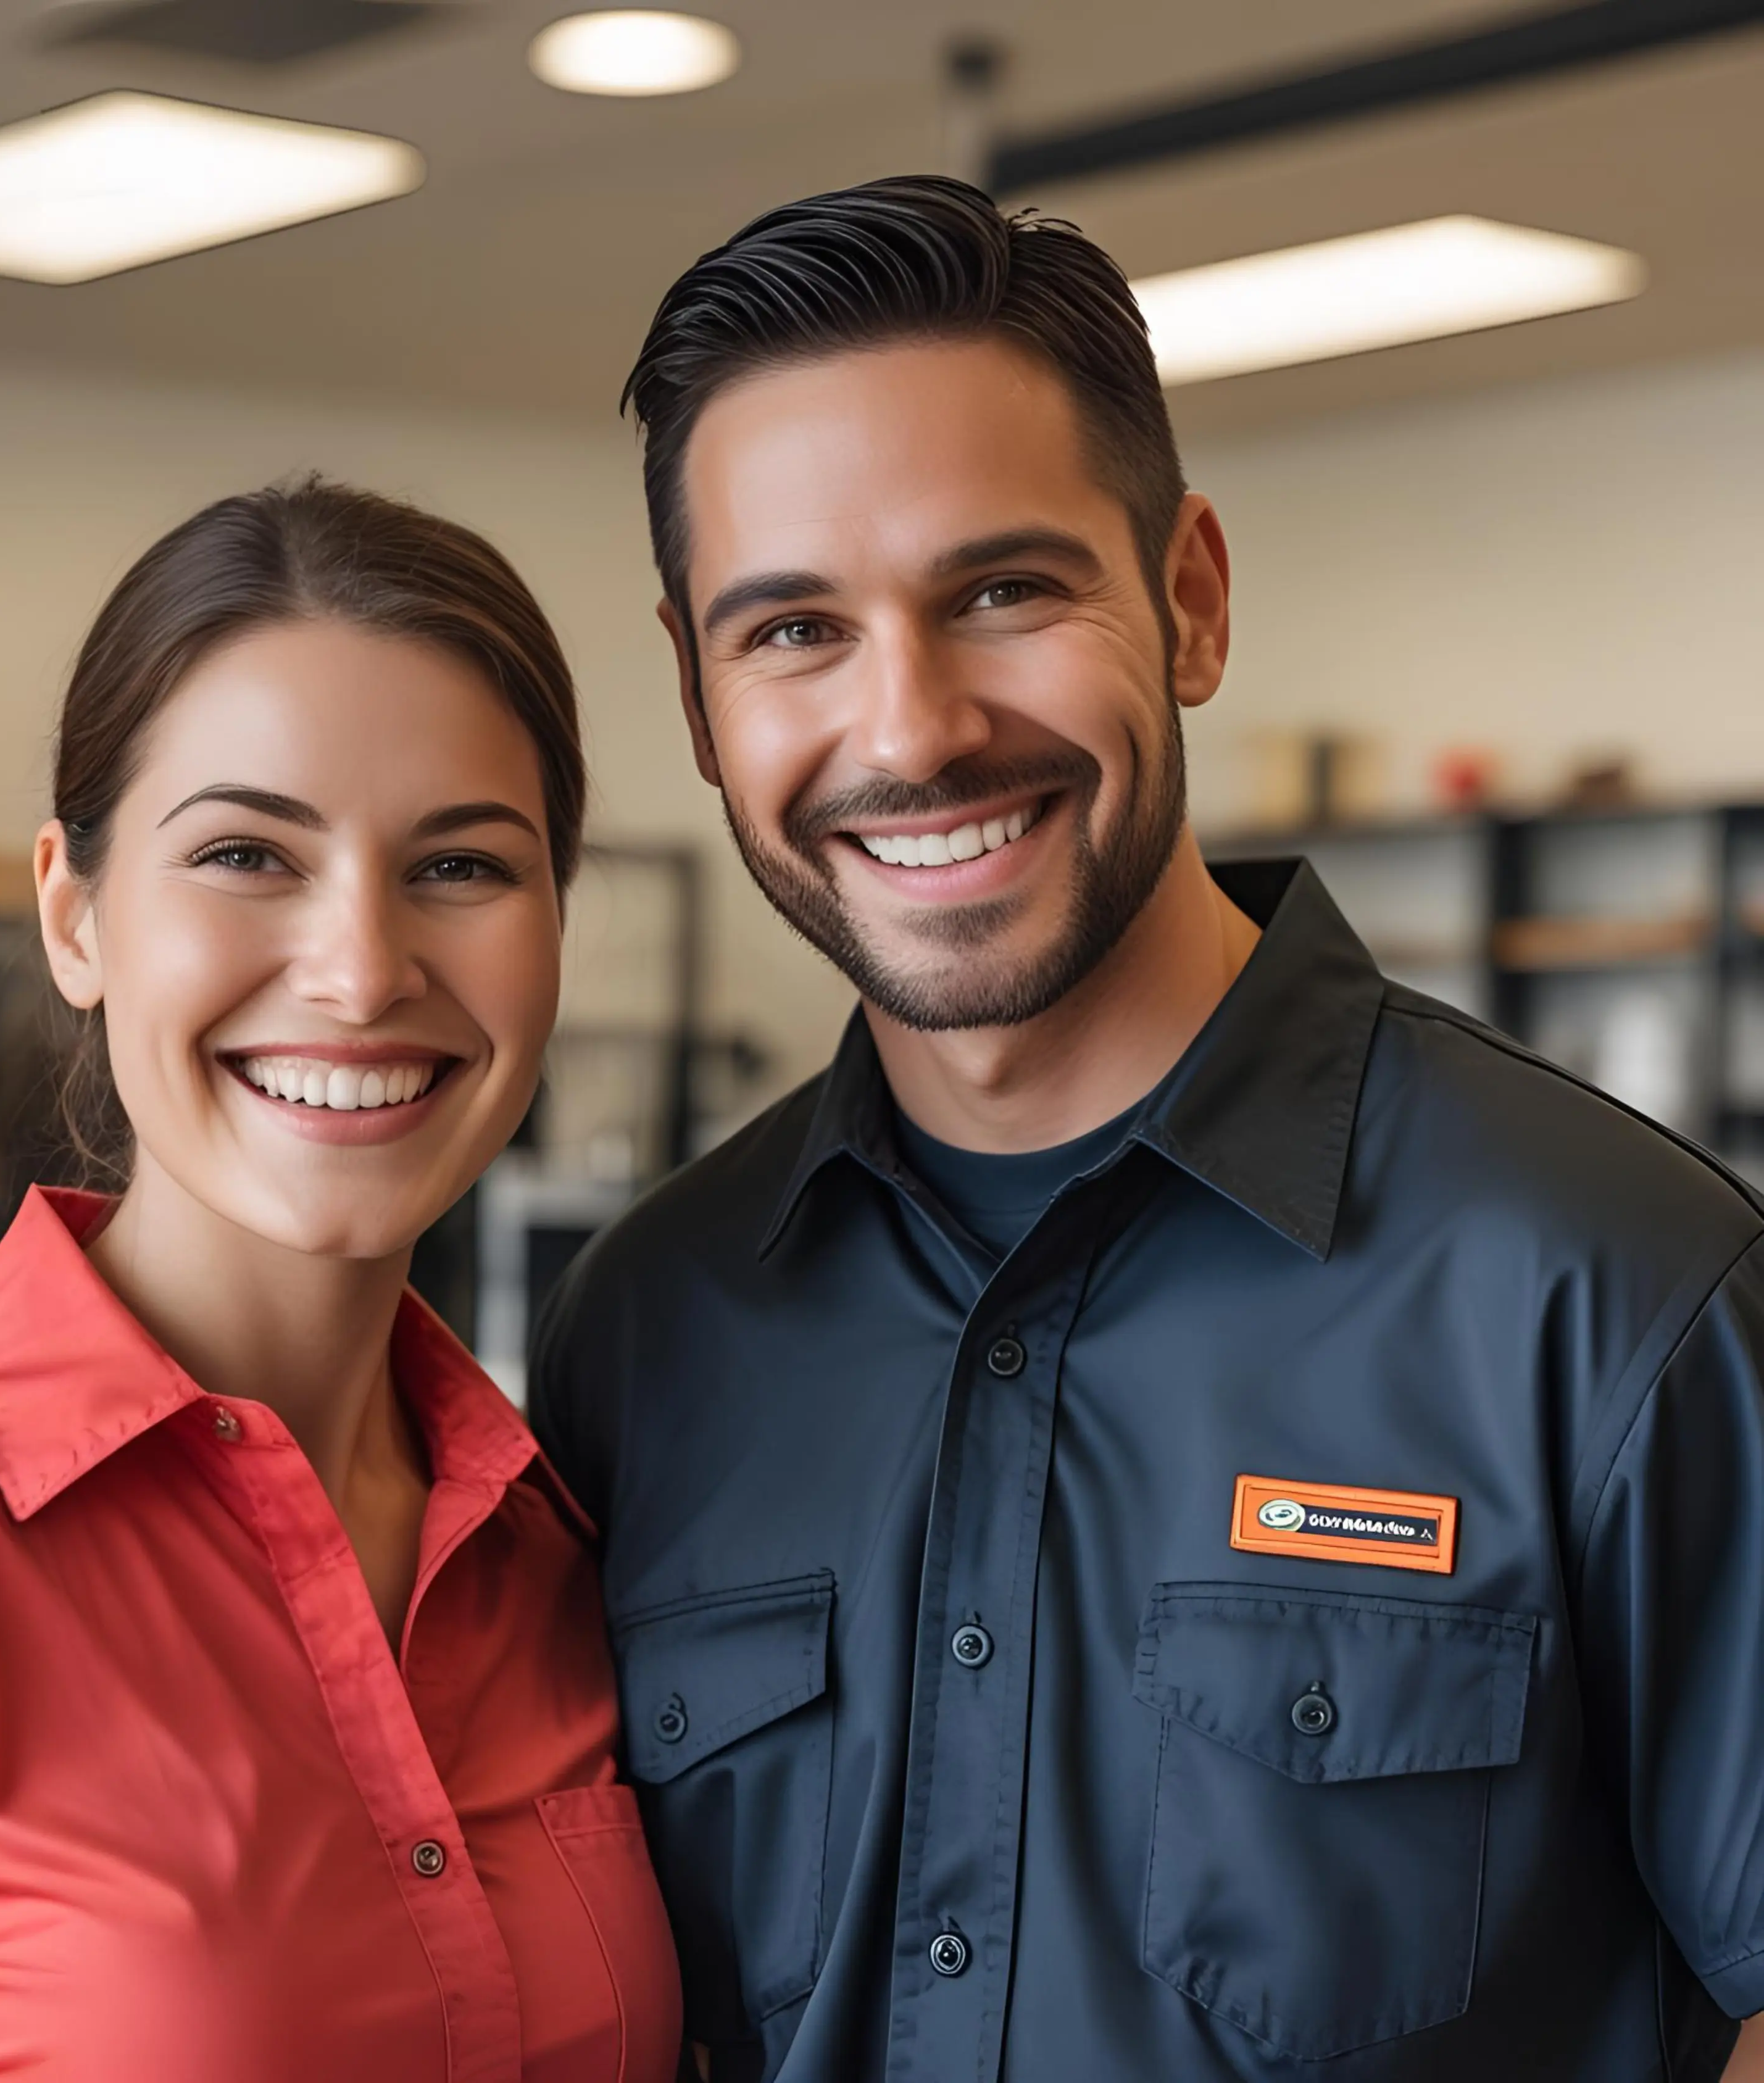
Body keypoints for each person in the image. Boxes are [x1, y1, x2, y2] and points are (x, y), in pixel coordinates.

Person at [528, 176, 1764, 2082]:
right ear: (697, 696)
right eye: (790, 630)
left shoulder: (1612, 1289)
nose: (912, 726)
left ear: (1187, 597)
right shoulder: (648, 1328)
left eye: (1000, 590)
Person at [0, 480, 681, 2083]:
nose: (361, 969)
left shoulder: (572, 1546)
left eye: (462, 867)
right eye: (243, 853)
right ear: (76, 916)